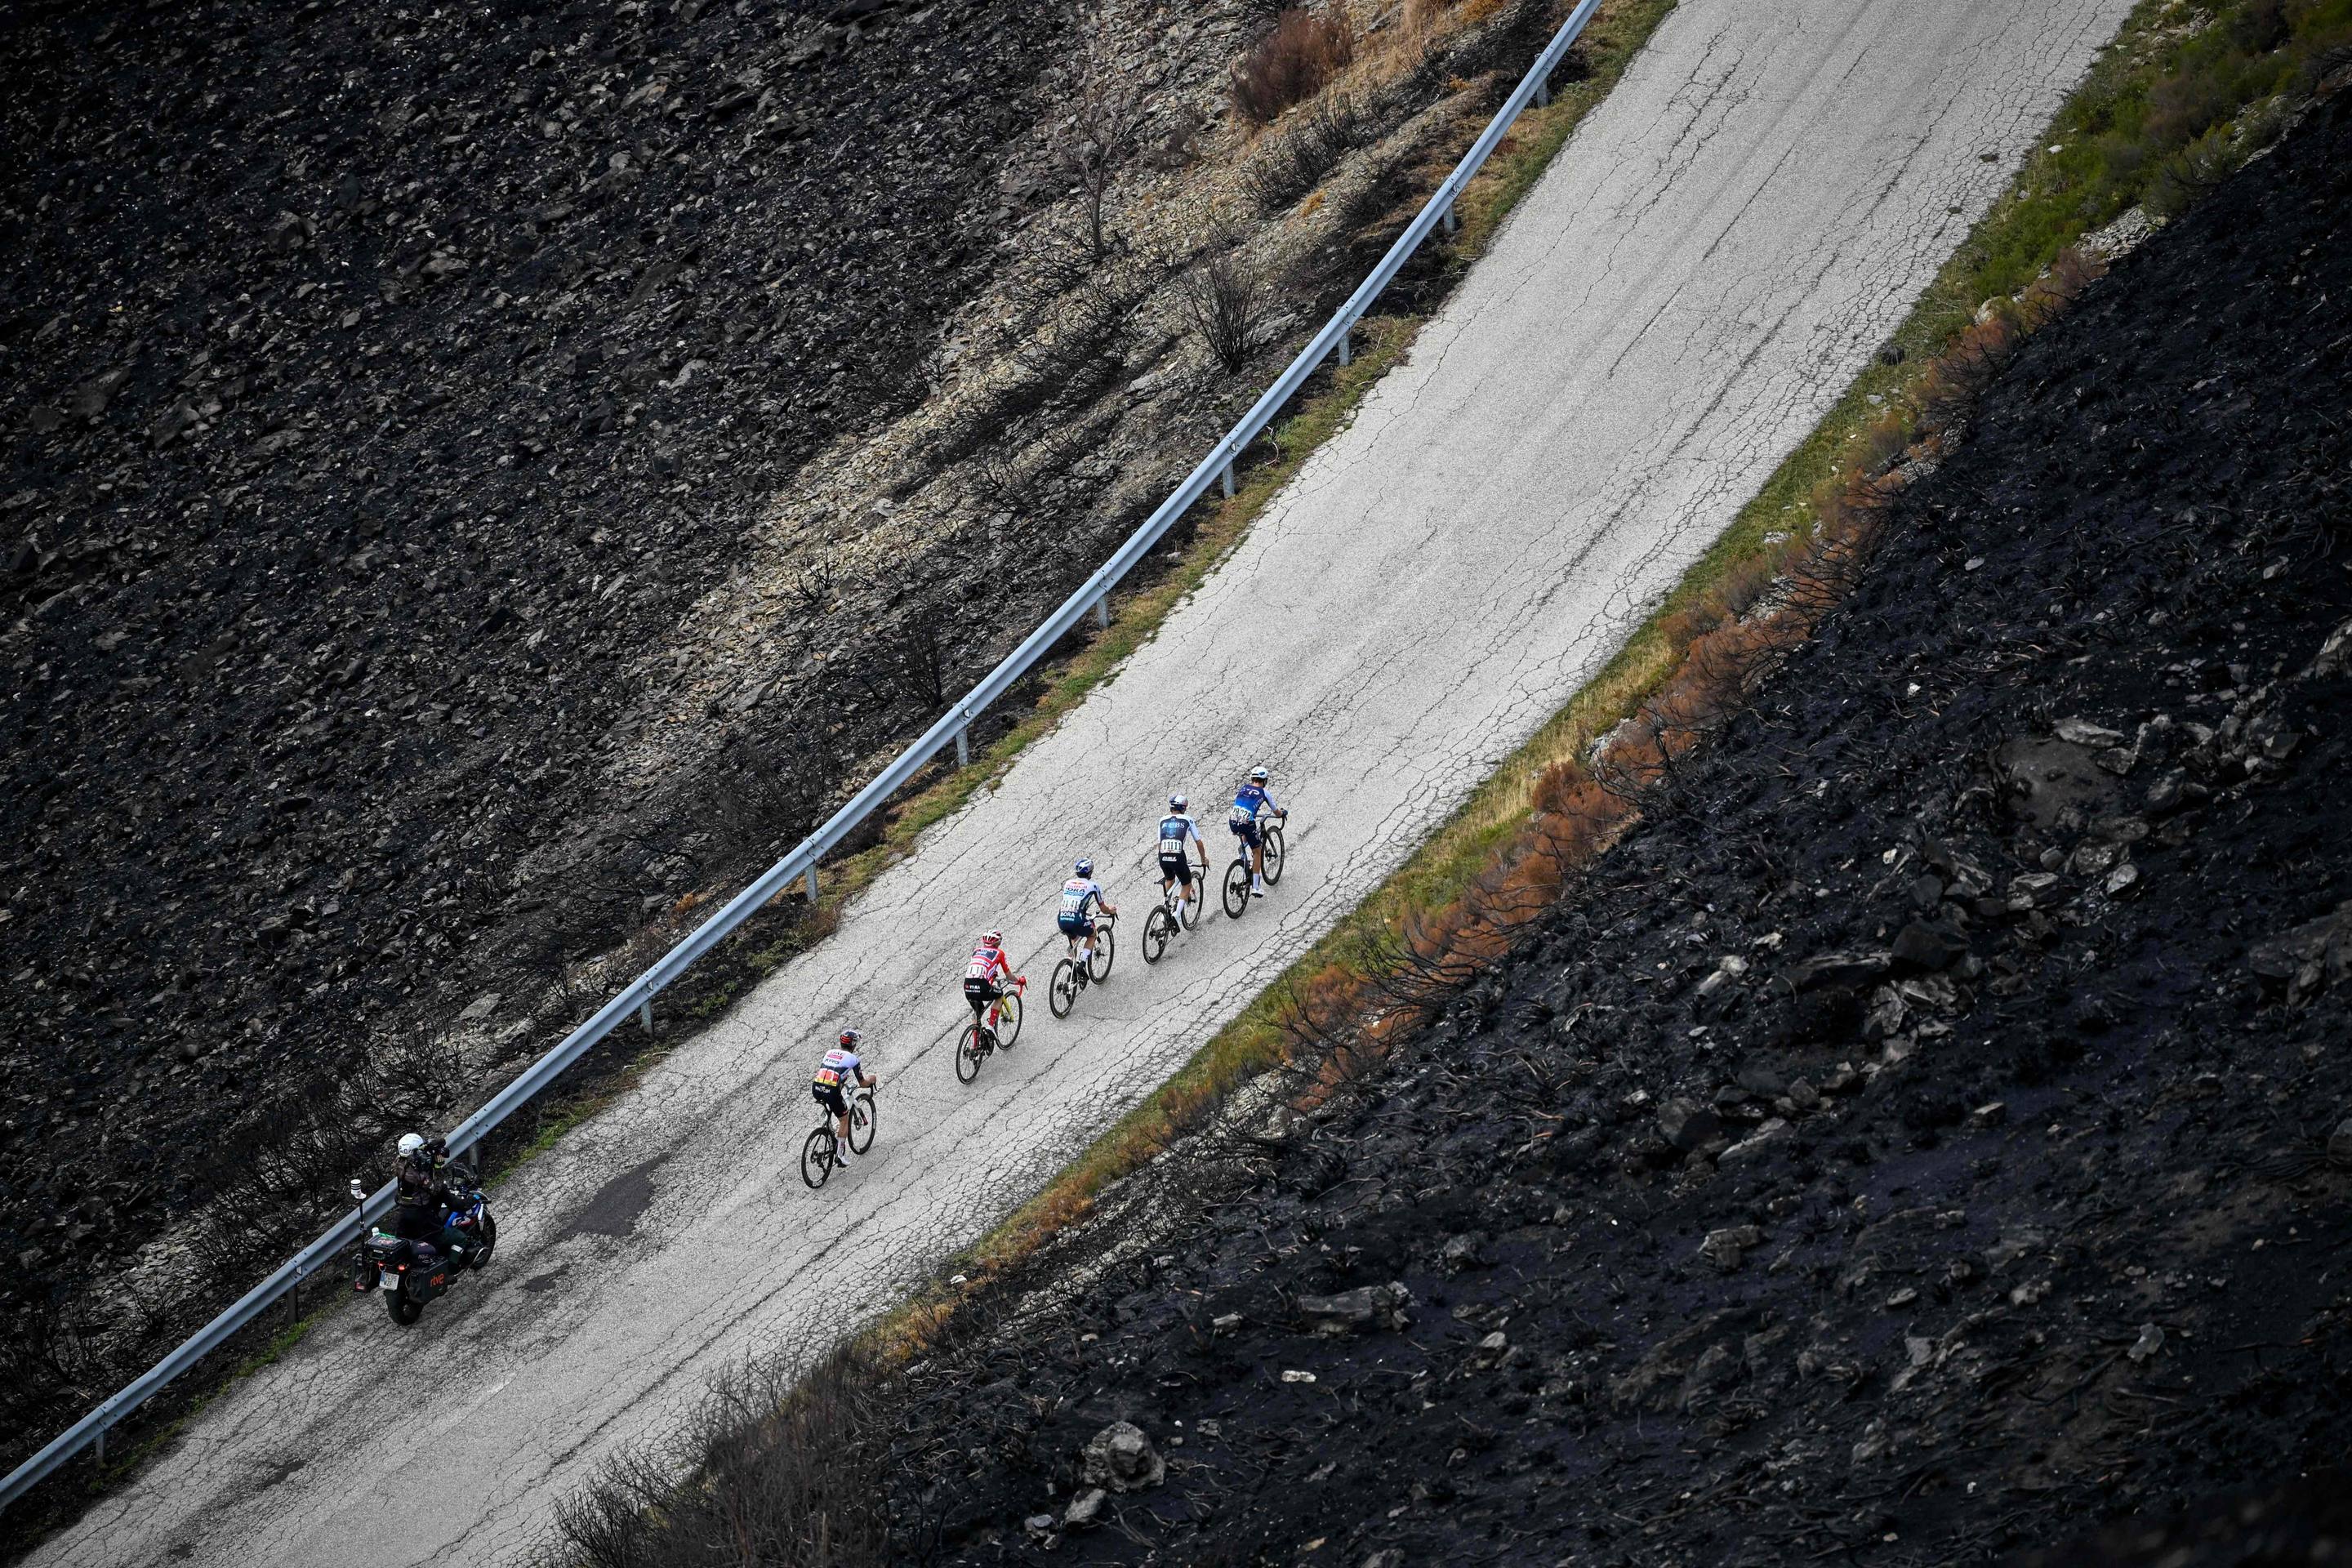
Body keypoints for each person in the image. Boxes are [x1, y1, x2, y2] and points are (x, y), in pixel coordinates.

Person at [390, 1132, 473, 1263]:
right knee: (460, 1238)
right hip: (422, 1220)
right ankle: (451, 1267)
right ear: (416, 1152)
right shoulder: (418, 1175)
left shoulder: (400, 1165)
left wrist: (431, 1145)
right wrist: (438, 1168)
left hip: (403, 1217)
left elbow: (419, 1152)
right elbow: (436, 1189)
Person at [811, 1030, 877, 1164]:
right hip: (831, 1091)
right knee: (844, 1120)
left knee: (833, 1103)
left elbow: (832, 1071)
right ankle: (840, 1155)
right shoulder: (853, 1059)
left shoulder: (830, 1052)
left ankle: (829, 1132)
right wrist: (872, 1079)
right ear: (853, 1044)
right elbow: (862, 1083)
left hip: (816, 1088)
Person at [1229, 766, 1288, 897]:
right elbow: (1277, 812)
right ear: (1264, 781)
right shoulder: (1264, 792)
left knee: (1245, 832)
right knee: (1257, 851)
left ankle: (1242, 855)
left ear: (1252, 779)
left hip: (1233, 820)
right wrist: (1283, 813)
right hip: (1246, 822)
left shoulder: (1244, 788)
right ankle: (1256, 887)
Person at [1057, 858, 1116, 981]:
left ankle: (1071, 967)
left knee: (1074, 938)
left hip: (1062, 919)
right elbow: (1103, 908)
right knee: (1092, 934)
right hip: (1077, 920)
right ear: (1090, 872)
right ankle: (1082, 964)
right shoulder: (1093, 886)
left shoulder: (1068, 883)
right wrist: (1111, 911)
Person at [962, 931, 1022, 1044]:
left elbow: (979, 970)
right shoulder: (999, 953)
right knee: (999, 995)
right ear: (997, 943)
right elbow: (1009, 976)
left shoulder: (976, 951)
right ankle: (990, 1027)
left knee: (977, 1014)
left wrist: (991, 976)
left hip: (967, 986)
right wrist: (1019, 981)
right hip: (982, 986)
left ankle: (975, 1045)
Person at [1156, 795, 1207, 921]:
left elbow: (1159, 843)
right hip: (1178, 856)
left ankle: (1164, 912)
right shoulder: (1187, 819)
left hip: (1162, 855)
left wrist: (1166, 859)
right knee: (1186, 884)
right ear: (1182, 808)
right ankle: (1177, 914)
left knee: (1170, 879)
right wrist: (1203, 859)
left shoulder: (1162, 820)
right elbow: (1199, 843)